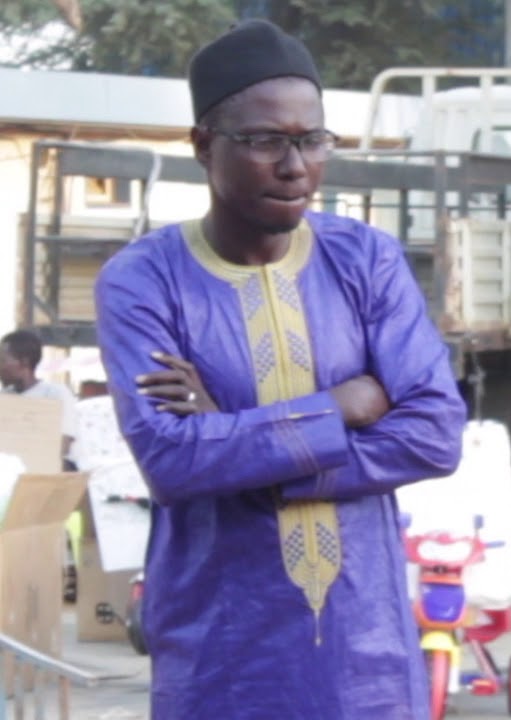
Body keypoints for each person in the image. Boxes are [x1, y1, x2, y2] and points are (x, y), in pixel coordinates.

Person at [93, 20, 467, 720]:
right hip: (221, 650)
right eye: (267, 140)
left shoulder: (364, 261)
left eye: (312, 139)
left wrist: (235, 438)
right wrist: (341, 407)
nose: (296, 165)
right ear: (203, 146)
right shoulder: (143, 281)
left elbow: (436, 433)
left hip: (368, 656)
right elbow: (171, 461)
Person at [0, 329, 78, 467]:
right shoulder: (4, 397)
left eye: (3, 360)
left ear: (24, 362)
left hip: (45, 469)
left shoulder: (55, 394)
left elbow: (64, 441)